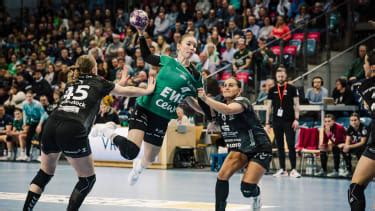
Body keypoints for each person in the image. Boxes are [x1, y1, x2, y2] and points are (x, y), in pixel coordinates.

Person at [22, 55, 156, 211]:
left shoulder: (71, 83)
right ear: (94, 69)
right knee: (87, 180)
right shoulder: (98, 81)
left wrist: (118, 84)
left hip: (51, 124)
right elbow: (126, 91)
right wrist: (147, 90)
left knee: (44, 173)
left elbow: (96, 92)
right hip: (72, 128)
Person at [92, 25, 203, 186]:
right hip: (145, 108)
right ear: (179, 45)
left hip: (162, 117)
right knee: (131, 152)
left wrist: (209, 112)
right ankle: (107, 130)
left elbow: (193, 99)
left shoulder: (195, 75)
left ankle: (138, 169)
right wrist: (142, 34)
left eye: (195, 46)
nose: (192, 48)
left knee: (151, 157)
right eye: (189, 44)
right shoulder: (168, 61)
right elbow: (147, 55)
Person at [197, 78, 272, 210]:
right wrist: (185, 96)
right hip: (239, 148)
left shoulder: (243, 102)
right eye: (224, 85)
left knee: (247, 190)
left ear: (239, 90)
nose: (226, 88)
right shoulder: (219, 104)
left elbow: (228, 110)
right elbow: (200, 108)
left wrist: (206, 99)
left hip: (259, 148)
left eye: (231, 85)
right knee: (222, 177)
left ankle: (256, 195)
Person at [348, 52, 375, 211]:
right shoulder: (365, 86)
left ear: (372, 67)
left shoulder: (364, 86)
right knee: (355, 189)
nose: (363, 66)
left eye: (365, 63)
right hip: (374, 144)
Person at [265, 66, 301, 178]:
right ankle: (282, 169)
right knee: (279, 146)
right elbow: (269, 107)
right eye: (278, 75)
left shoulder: (292, 88)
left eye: (282, 75)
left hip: (289, 121)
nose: (280, 77)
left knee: (291, 145)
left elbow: (296, 105)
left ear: (286, 76)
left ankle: (294, 169)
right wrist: (267, 123)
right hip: (276, 121)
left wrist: (297, 119)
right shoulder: (272, 90)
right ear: (276, 77)